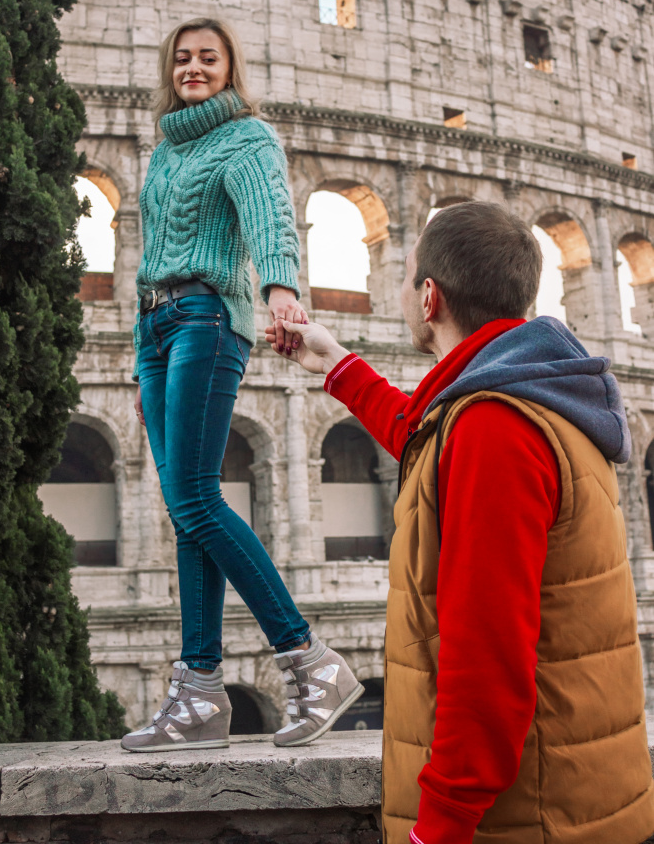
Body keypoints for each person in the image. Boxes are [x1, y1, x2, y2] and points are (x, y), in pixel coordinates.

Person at [267, 201, 654, 844]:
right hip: (571, 795)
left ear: (429, 297)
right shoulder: (533, 395)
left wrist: (440, 825)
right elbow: (427, 442)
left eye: (405, 276)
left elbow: (487, 656)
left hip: (524, 819)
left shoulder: (494, 428)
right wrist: (336, 364)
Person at [122, 17, 363, 752]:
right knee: (186, 513)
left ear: (230, 68)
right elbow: (151, 249)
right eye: (183, 58)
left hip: (206, 317)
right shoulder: (166, 149)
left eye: (209, 57)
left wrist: (281, 291)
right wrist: (140, 353)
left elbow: (268, 216)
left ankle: (308, 659)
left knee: (196, 499)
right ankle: (199, 695)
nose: (193, 68)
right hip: (155, 329)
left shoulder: (246, 137)